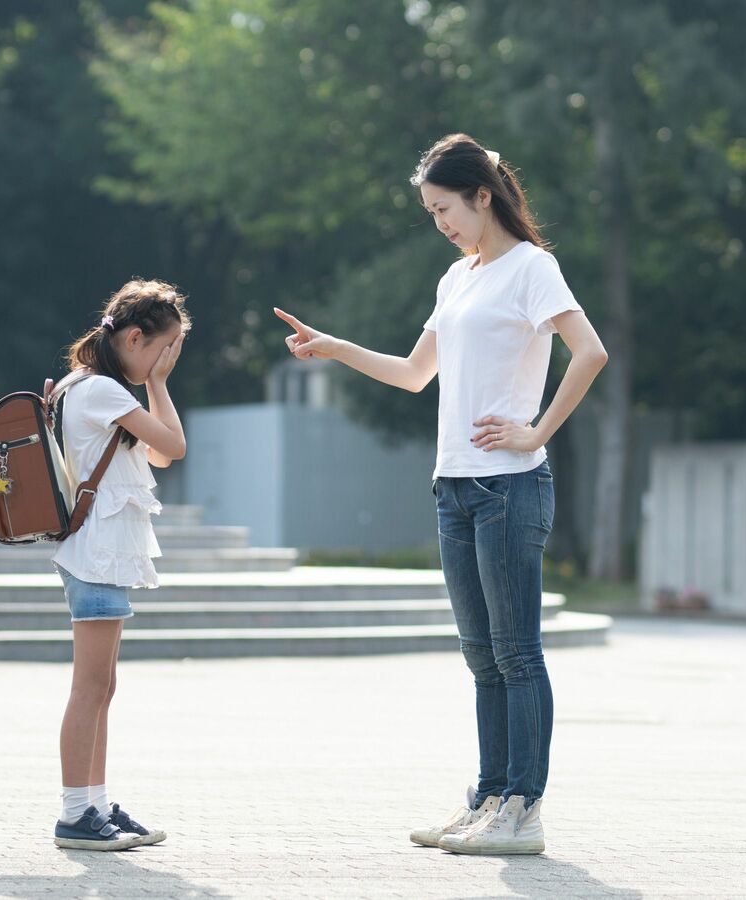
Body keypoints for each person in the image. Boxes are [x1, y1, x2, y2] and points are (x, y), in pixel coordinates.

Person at [273, 134, 607, 855]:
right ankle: (489, 798)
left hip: (510, 486)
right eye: (430, 213)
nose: (441, 223)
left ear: (483, 195)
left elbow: (590, 350)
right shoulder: (457, 279)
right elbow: (413, 373)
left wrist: (537, 429)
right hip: (452, 485)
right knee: (482, 655)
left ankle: (525, 809)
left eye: (445, 207)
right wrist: (333, 346)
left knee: (519, 653)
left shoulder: (531, 268)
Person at [50, 279, 189, 851]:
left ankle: (96, 802)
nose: (167, 359)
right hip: (96, 552)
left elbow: (157, 450)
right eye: (165, 348)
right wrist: (156, 382)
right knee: (90, 687)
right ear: (135, 338)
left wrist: (152, 381)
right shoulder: (102, 392)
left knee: (102, 685)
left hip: (99, 551)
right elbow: (175, 448)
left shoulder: (90, 389)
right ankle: (74, 811)